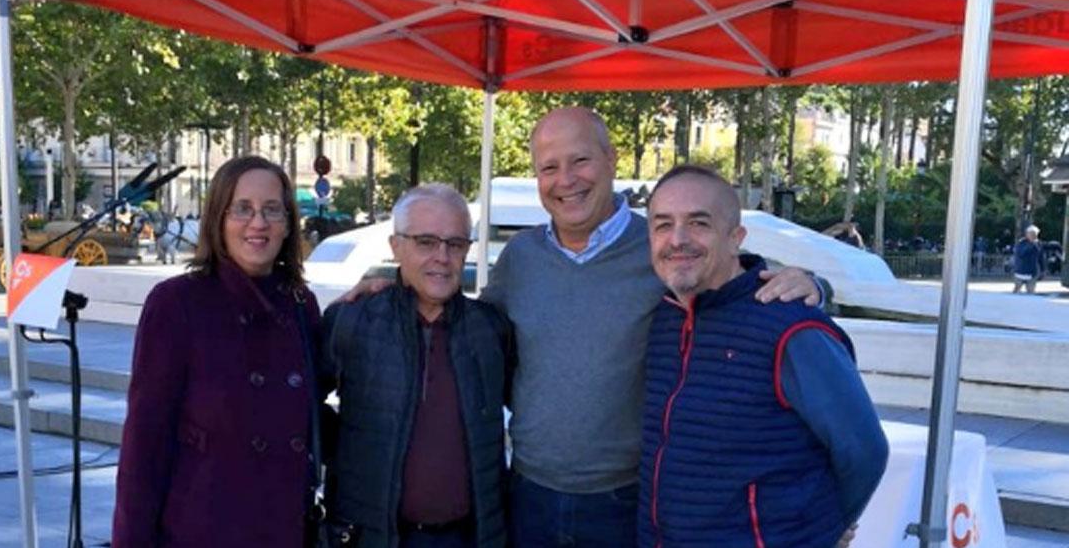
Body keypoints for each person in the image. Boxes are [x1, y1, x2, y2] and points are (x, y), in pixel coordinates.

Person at [344, 107, 824, 547]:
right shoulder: (521, 258)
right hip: (526, 495)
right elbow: (465, 323)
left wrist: (814, 284)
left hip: (624, 500)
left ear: (611, 159)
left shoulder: (660, 249)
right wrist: (394, 288)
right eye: (549, 168)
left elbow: (736, 283)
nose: (566, 180)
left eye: (580, 161)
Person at [638, 165, 888, 548]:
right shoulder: (664, 317)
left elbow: (865, 450)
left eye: (698, 223)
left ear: (735, 237)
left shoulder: (790, 327)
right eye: (662, 224)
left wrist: (824, 530)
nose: (678, 239)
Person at [112, 156, 321, 548]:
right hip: (204, 529)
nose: (258, 223)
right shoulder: (177, 303)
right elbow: (145, 443)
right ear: (218, 219)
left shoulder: (300, 303)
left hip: (285, 529)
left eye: (272, 209)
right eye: (242, 208)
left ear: (289, 223)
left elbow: (313, 412)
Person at [318, 184, 513, 548]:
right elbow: (302, 407)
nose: (442, 256)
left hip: (469, 537)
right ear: (395, 247)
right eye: (425, 241)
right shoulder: (351, 322)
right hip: (373, 537)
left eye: (455, 244)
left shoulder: (491, 329)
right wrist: (350, 449)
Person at [1012, 225, 1045, 294]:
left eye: (1035, 234)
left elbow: (1041, 258)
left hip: (1032, 272)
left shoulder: (1038, 244)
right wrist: (1031, 244)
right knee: (1016, 291)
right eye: (1032, 234)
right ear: (1027, 234)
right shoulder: (1021, 243)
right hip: (1020, 271)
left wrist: (1043, 270)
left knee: (1031, 292)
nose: (1034, 236)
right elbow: (1021, 254)